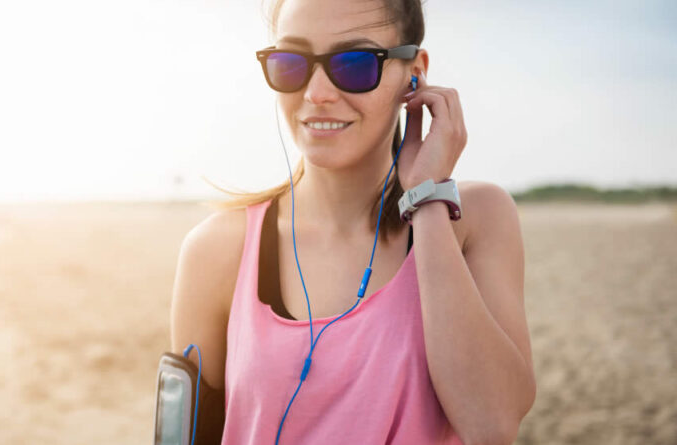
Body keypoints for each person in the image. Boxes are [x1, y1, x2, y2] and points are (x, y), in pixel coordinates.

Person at [170, 0, 536, 443]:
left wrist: (426, 200)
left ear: (414, 73)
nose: (317, 93)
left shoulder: (472, 218)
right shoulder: (218, 249)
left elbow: (492, 425)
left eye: (355, 64)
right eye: (291, 63)